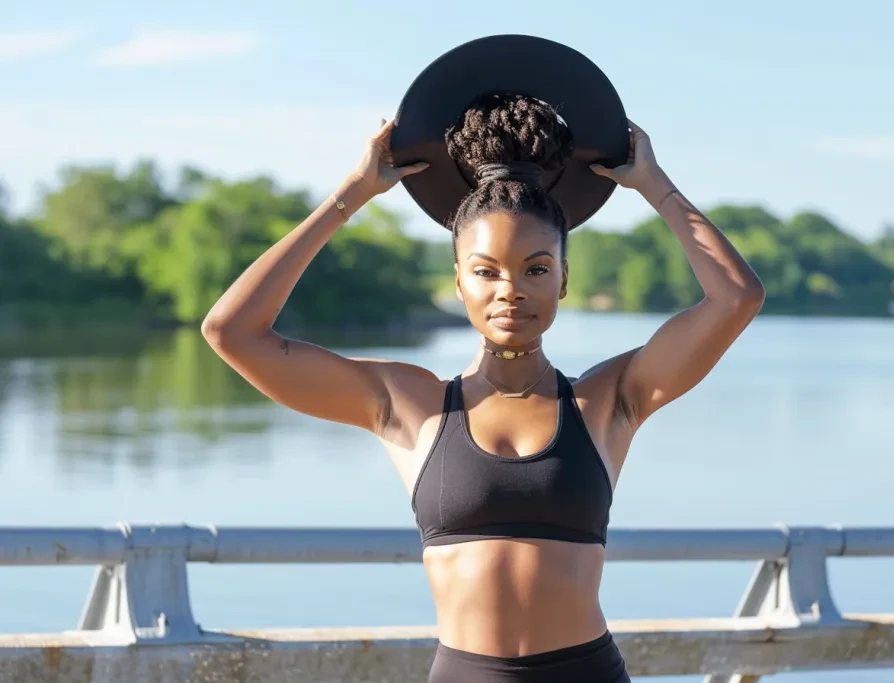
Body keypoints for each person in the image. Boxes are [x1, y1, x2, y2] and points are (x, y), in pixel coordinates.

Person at [202, 93, 765, 683]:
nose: (510, 289)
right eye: (486, 270)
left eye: (536, 269)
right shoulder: (407, 404)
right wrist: (352, 194)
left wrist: (655, 185)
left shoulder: (609, 399)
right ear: (458, 281)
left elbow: (737, 297)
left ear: (564, 279)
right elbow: (233, 332)